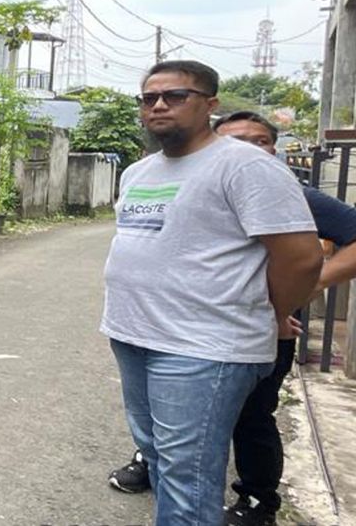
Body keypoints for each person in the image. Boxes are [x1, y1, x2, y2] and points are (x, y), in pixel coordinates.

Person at [107, 111, 356, 525]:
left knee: (250, 417)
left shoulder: (287, 191)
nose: (247, 149)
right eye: (234, 140)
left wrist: (299, 292)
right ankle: (153, 465)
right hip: (162, 328)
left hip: (250, 327)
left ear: (274, 148)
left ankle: (257, 498)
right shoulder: (177, 178)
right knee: (171, 426)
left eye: (259, 141)